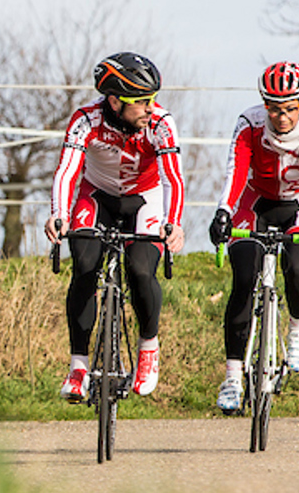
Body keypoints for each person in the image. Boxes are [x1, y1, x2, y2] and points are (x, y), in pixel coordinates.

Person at [46, 51, 187, 403]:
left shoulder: (160, 123)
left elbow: (173, 178)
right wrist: (58, 213)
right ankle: (78, 367)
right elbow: (66, 170)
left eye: (153, 99)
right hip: (97, 198)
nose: (150, 108)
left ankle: (148, 347)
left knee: (140, 269)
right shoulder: (86, 120)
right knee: (84, 266)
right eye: (141, 102)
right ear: (114, 100)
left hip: (145, 198)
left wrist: (174, 223)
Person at [208, 61, 299, 413]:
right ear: (264, 105)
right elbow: (236, 171)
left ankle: (297, 330)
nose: (282, 118)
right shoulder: (248, 124)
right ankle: (233, 377)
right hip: (255, 200)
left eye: (290, 109)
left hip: (297, 204)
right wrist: (222, 211)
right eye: (274, 109)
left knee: (296, 268)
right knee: (244, 278)